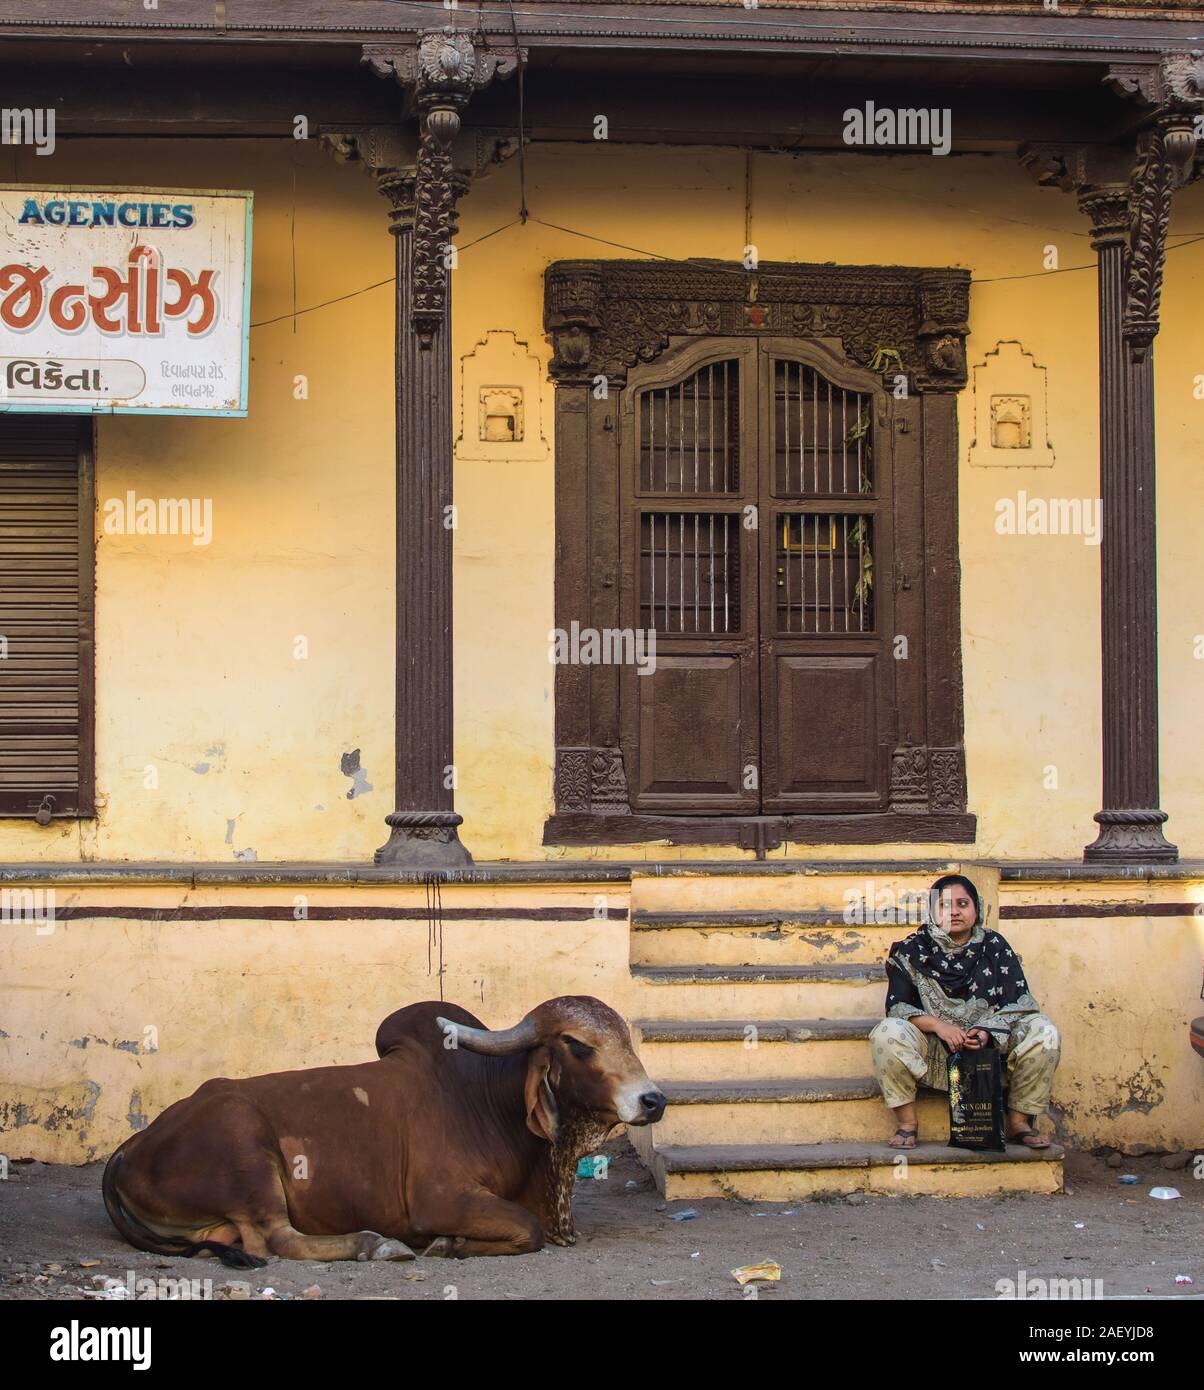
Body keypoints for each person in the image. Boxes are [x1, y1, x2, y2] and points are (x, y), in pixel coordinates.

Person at [869, 873, 1059, 1150]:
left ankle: (1019, 1122)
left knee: (1044, 1031)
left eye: (962, 903)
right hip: (935, 1048)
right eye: (944, 905)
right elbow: (898, 1008)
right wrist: (940, 1027)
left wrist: (986, 1032)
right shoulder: (912, 949)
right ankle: (907, 1125)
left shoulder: (994, 946)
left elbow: (1020, 1003)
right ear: (932, 910)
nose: (954, 912)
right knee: (887, 1033)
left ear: (976, 909)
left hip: (990, 1047)